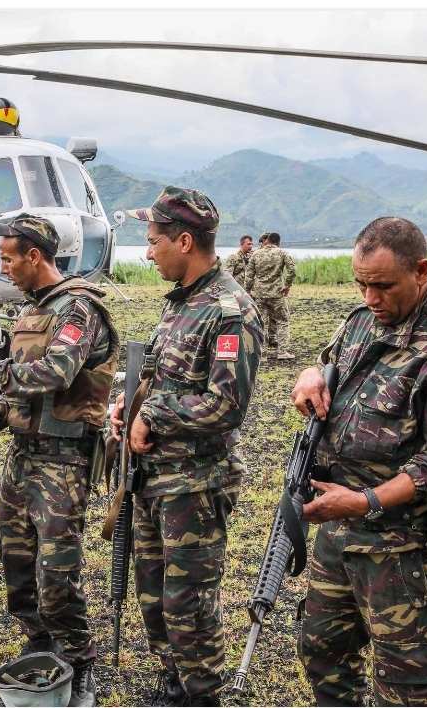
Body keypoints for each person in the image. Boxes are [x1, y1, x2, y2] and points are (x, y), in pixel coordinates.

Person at [290, 216, 427, 707]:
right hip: (337, 529)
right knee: (322, 649)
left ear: (422, 271)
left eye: (382, 285)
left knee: (408, 681)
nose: (370, 298)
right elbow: (328, 360)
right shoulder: (363, 320)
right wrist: (310, 373)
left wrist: (364, 501)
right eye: (361, 284)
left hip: (397, 545)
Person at [109, 187, 262, 707]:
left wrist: (149, 415)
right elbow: (154, 374)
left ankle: (201, 694)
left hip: (195, 485)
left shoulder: (230, 312)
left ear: (184, 240)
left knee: (188, 602)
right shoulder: (180, 304)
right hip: (154, 478)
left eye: (153, 243)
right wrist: (122, 406)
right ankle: (172, 681)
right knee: (152, 595)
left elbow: (225, 406)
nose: (148, 253)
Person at [0, 212, 119, 708]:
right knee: (17, 560)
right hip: (22, 458)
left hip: (62, 463)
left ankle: (78, 659)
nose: (3, 268)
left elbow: (54, 372)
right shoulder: (34, 311)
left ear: (35, 256)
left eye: (8, 259)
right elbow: (22, 395)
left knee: (57, 570)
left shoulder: (78, 308)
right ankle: (38, 641)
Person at [243, 231, 297, 360]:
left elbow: (249, 275)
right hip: (277, 293)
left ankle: (262, 353)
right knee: (282, 321)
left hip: (260, 294)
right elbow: (292, 270)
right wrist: (287, 285)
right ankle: (282, 351)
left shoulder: (256, 254)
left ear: (267, 241)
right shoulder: (282, 253)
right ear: (279, 242)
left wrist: (247, 291)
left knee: (262, 323)